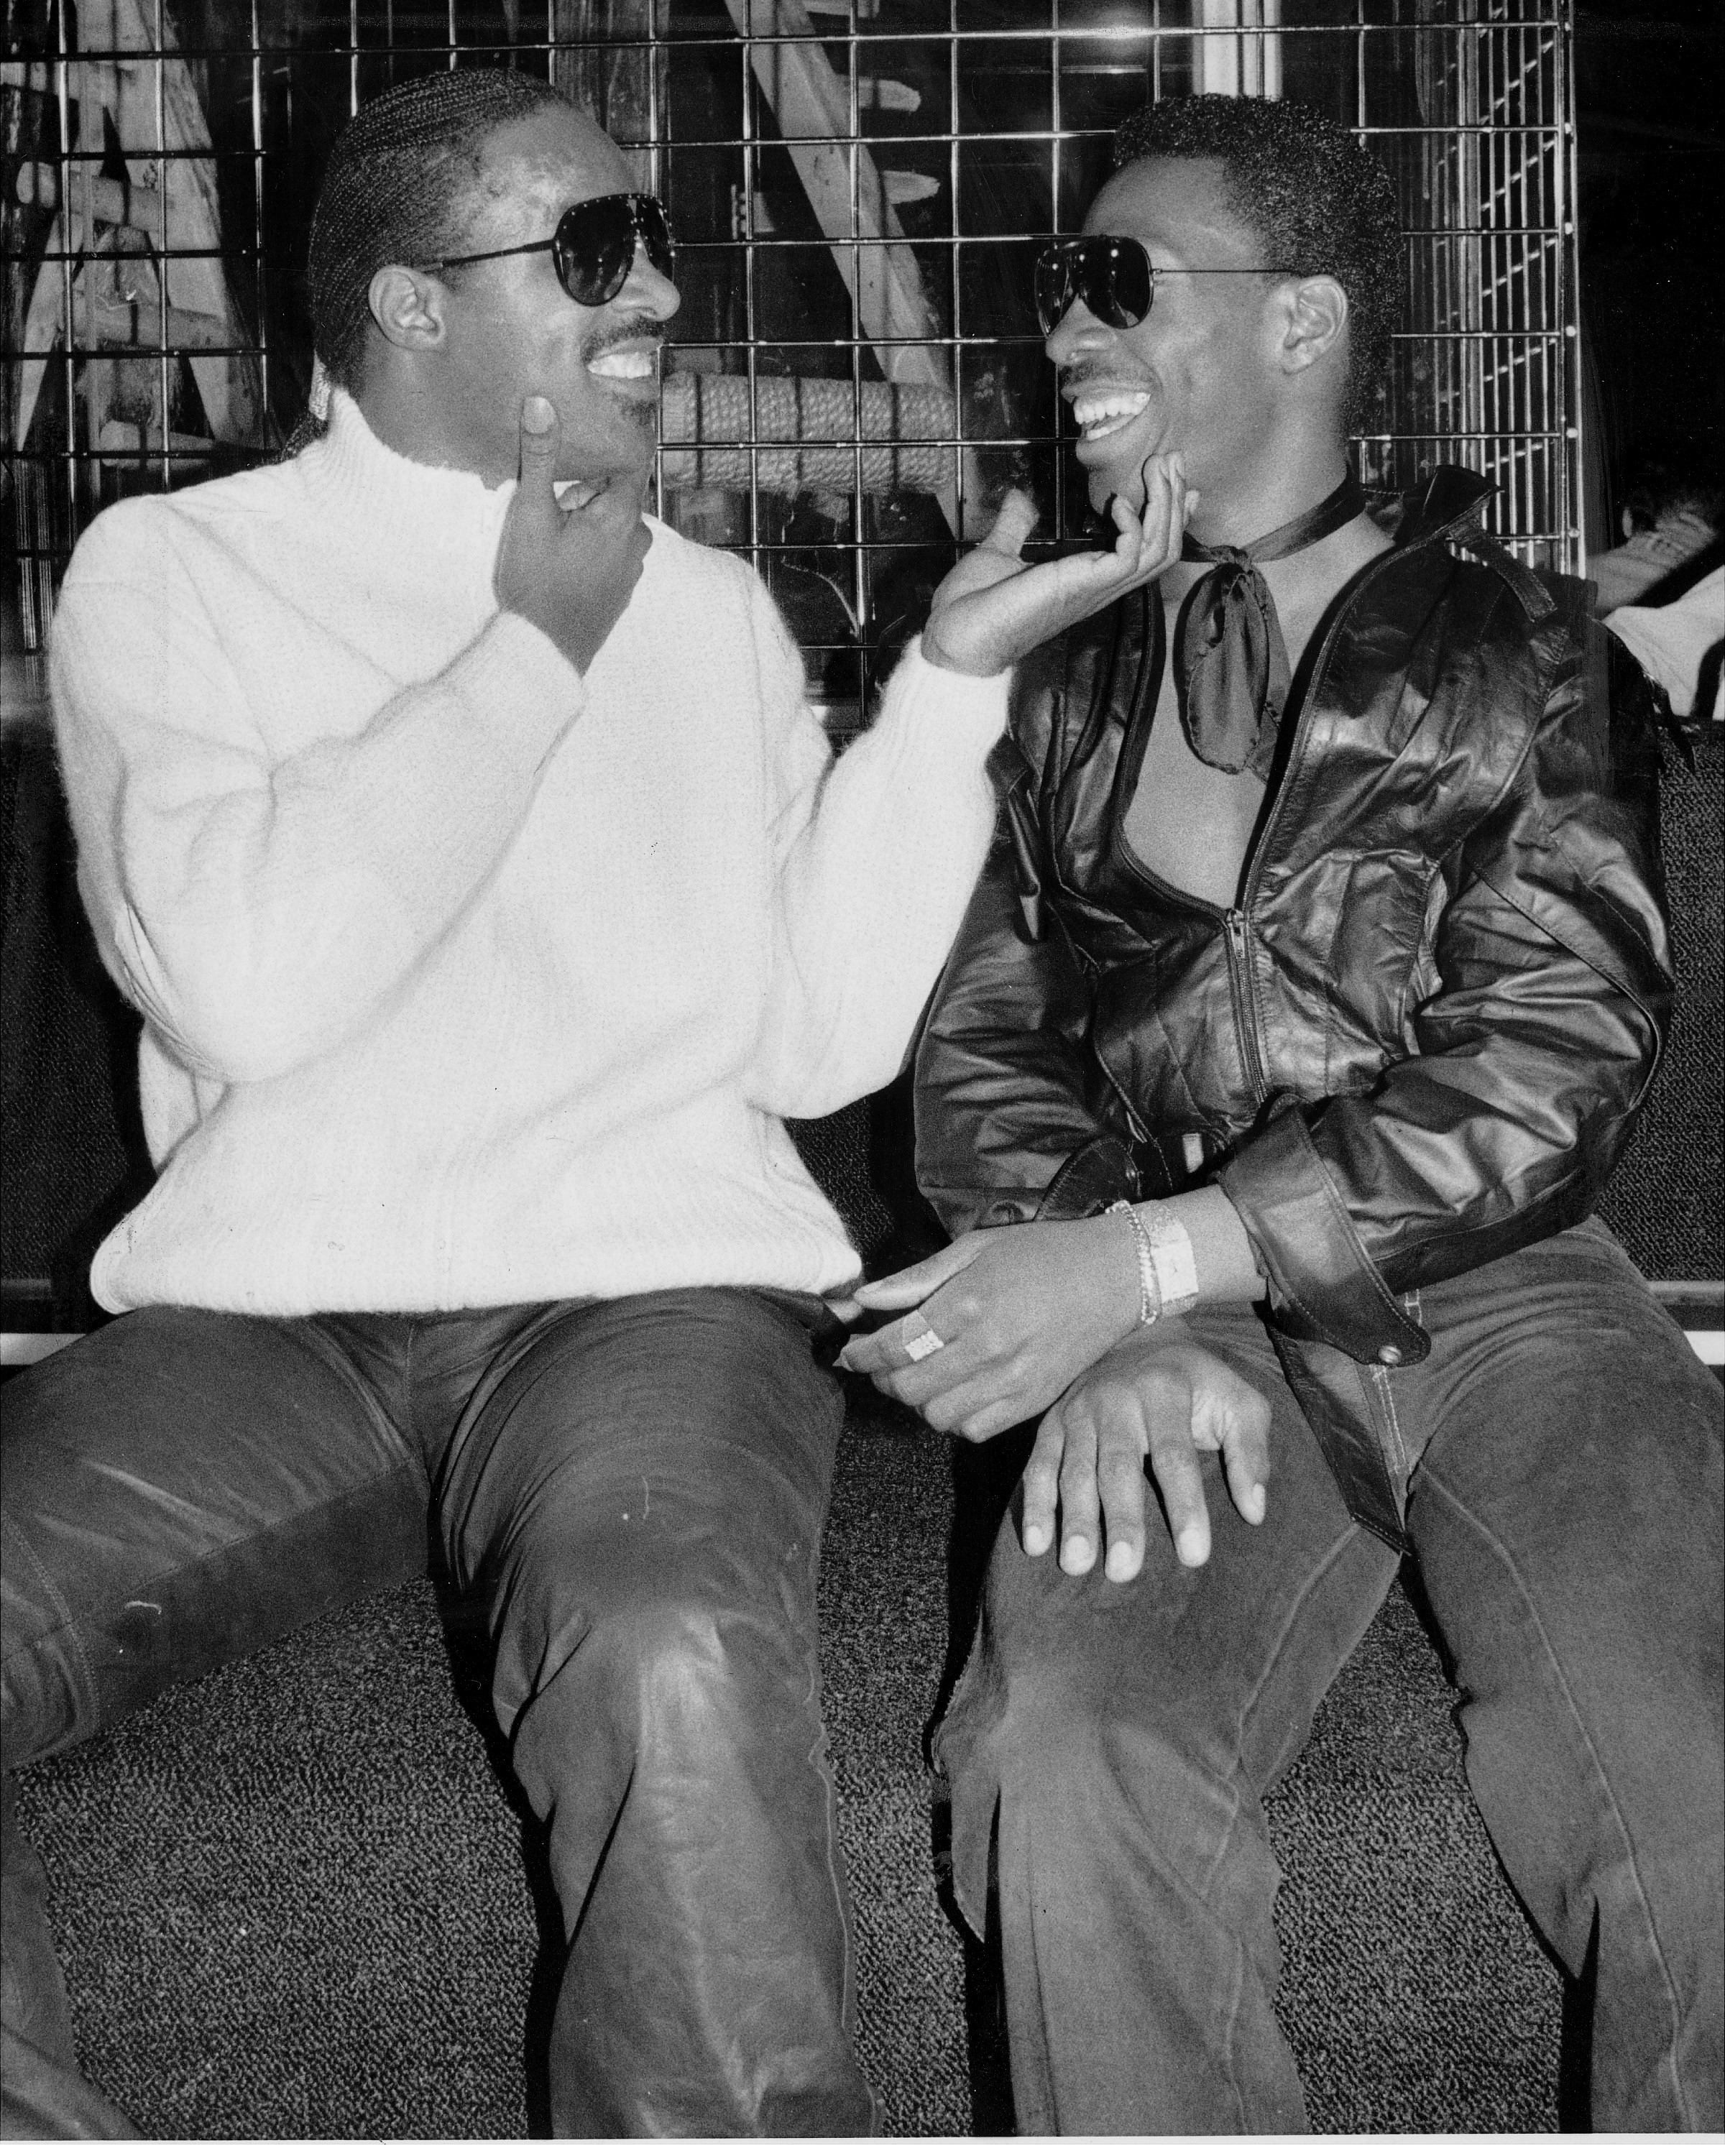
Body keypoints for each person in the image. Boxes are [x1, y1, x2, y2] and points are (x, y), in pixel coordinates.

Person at [0, 67, 1196, 2137]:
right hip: (266, 1323)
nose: (659, 292)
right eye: (592, 254)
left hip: (647, 1301)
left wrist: (947, 691)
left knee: (672, 1660)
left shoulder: (715, 609)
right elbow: (251, 987)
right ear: (405, 307)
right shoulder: (169, 573)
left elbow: (812, 1042)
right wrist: (527, 651)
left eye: (653, 243)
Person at [840, 92, 1724, 2133]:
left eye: (1118, 284)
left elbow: (1558, 1053)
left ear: (1305, 320)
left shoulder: (1523, 643)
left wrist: (1156, 1258)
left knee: (1692, 1778)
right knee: (1062, 1763)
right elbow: (984, 1049)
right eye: (1060, 290)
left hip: (1507, 1291)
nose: (1061, 330)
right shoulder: (1053, 671)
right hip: (1182, 1326)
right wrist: (1136, 1316)